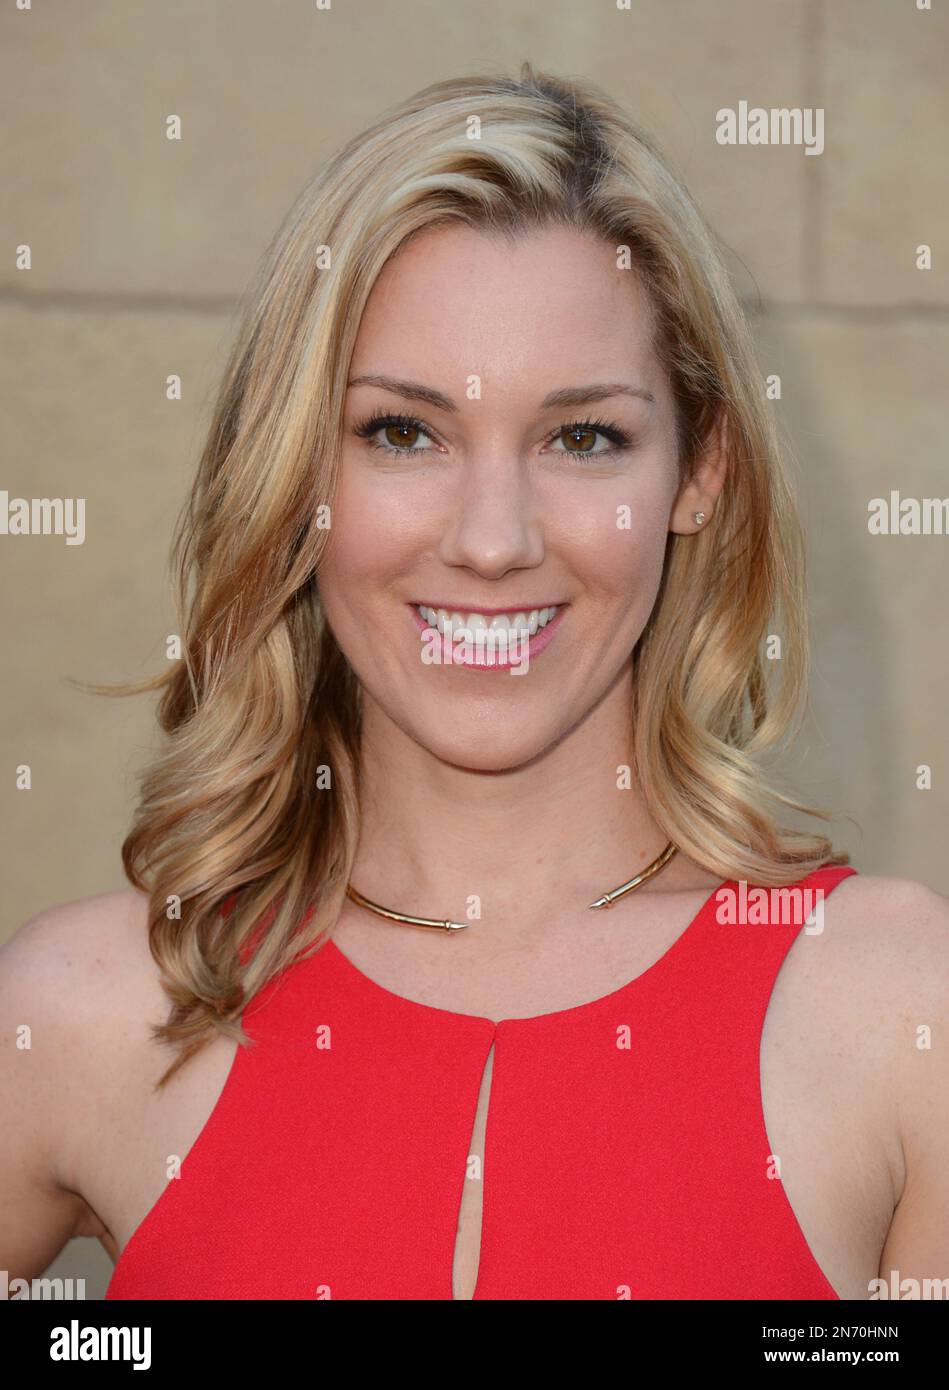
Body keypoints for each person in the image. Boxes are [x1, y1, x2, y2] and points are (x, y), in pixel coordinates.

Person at [2, 63, 947, 1302]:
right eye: (402, 431)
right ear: (298, 472)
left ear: (699, 470)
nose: (492, 539)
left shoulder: (898, 1014)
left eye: (582, 436)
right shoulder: (86, 1009)